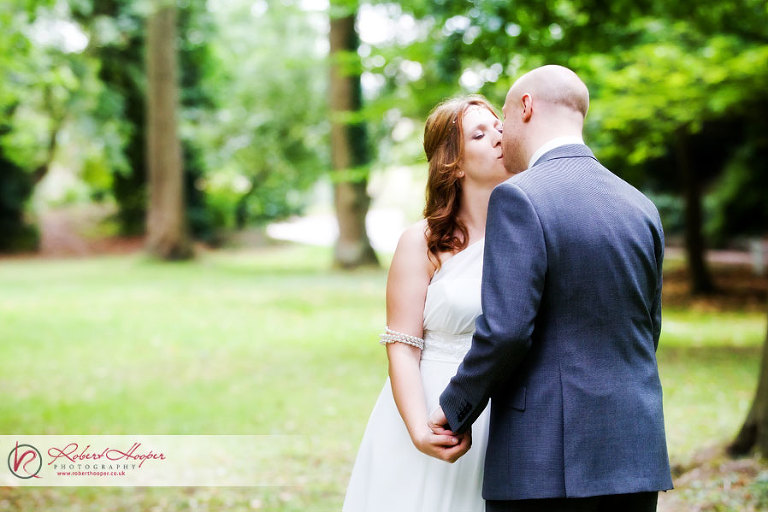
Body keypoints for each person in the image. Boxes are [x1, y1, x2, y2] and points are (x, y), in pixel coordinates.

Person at [429, 65, 673, 511]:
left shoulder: (520, 196)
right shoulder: (642, 206)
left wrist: (456, 405)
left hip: (545, 460)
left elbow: (505, 331)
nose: (501, 131)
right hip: (635, 451)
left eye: (502, 116)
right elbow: (647, 330)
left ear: (526, 107)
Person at [342, 95, 511, 512]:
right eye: (479, 132)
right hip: (435, 404)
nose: (498, 136)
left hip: (507, 415)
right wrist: (419, 426)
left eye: (499, 126)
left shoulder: (531, 233)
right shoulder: (422, 243)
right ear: (453, 163)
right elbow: (401, 344)